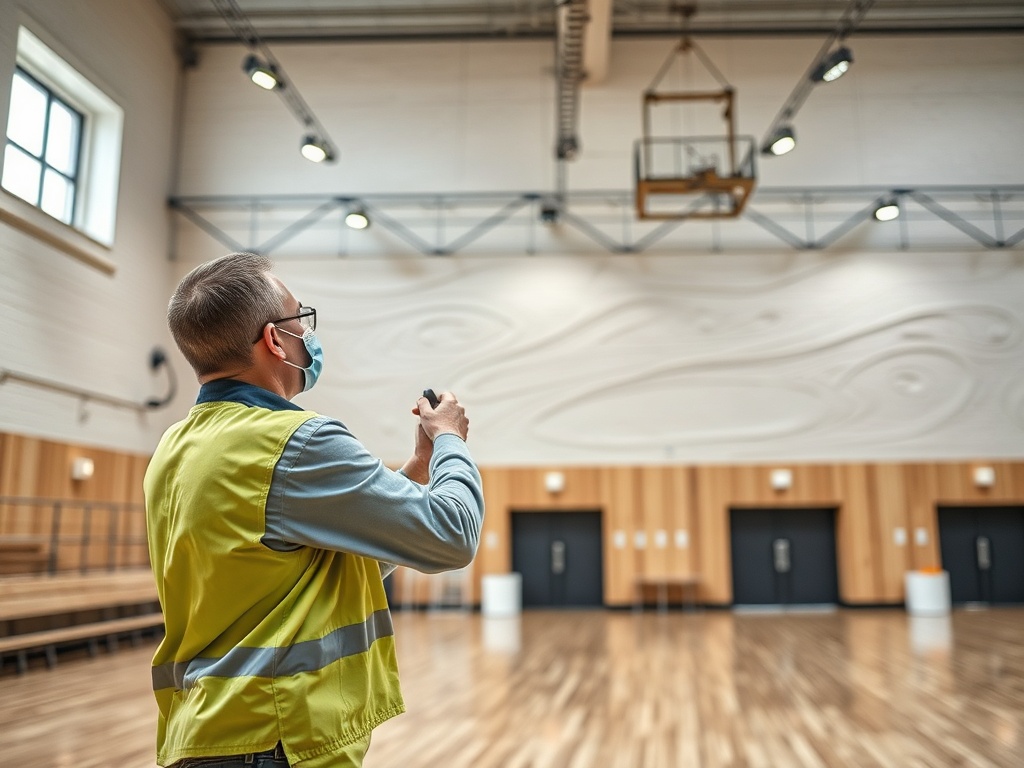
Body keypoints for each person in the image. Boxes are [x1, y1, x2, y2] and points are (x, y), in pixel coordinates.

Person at [144, 251, 484, 768]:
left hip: (203, 734)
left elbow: (324, 567)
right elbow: (451, 535)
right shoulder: (297, 443)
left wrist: (417, 465)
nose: (308, 333)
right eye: (300, 319)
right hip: (278, 736)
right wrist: (451, 443)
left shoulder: (175, 448)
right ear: (275, 339)